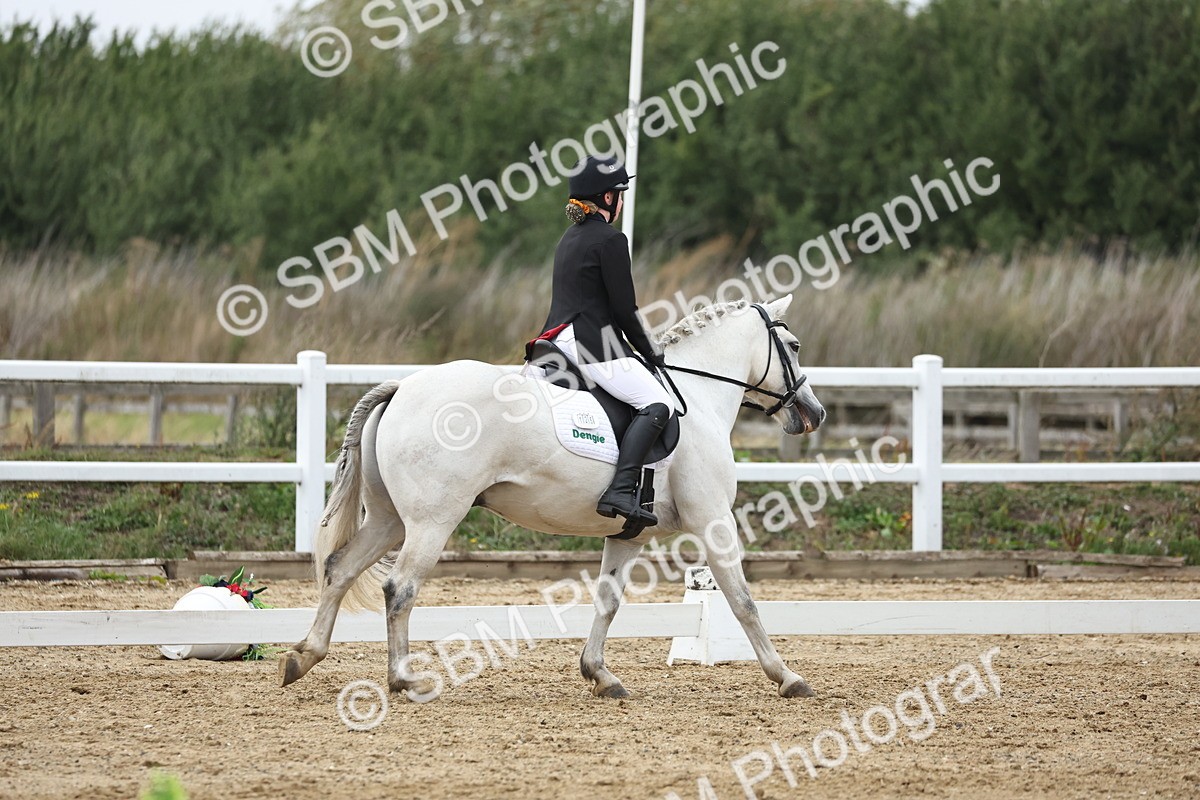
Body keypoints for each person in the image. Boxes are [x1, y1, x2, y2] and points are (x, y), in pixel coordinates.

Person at [534, 154, 673, 527]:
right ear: (608, 199)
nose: (622, 200)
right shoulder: (611, 239)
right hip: (591, 342)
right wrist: (651, 352)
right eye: (620, 193)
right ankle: (621, 488)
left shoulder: (569, 238)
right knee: (658, 401)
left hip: (554, 339)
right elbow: (625, 310)